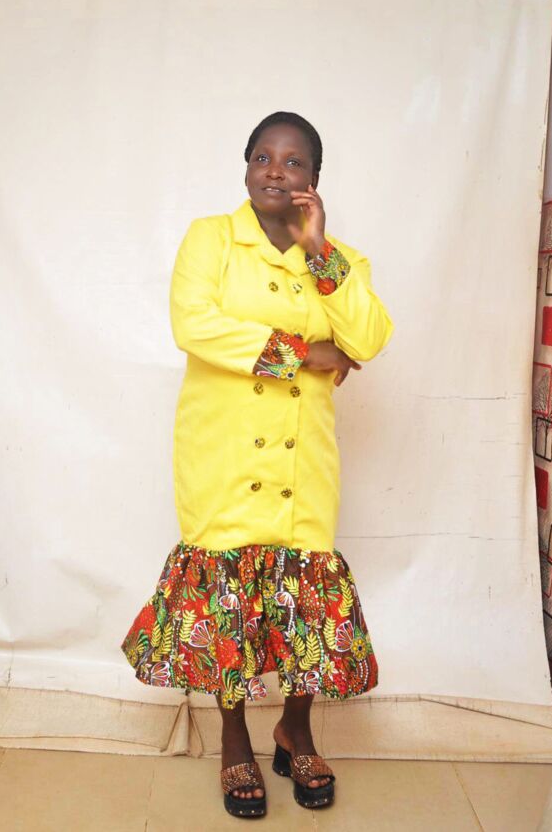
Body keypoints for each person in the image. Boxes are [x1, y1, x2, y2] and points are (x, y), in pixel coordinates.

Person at [121, 111, 394, 818]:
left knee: (306, 595)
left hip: (304, 456)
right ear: (246, 168)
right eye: (263, 157)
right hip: (222, 450)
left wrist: (319, 248)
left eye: (293, 161)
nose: (276, 170)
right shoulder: (211, 238)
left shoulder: (338, 259)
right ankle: (235, 736)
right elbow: (195, 324)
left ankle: (294, 728)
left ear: (313, 180)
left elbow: (368, 336)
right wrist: (307, 353)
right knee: (229, 598)